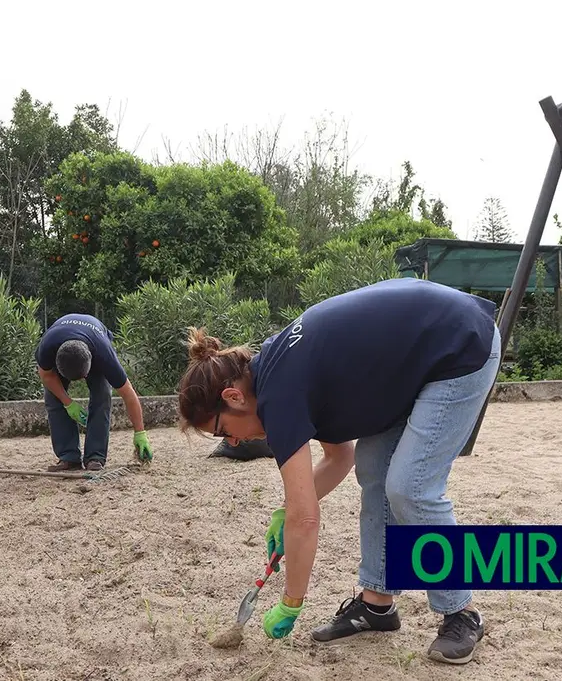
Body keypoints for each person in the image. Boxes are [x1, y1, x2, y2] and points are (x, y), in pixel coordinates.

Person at [175, 277, 501, 665]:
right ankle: (377, 605)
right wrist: (285, 510)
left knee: (411, 486)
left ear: (233, 397)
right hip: (418, 360)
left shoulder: (278, 396)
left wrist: (291, 603)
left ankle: (462, 612)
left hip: (460, 346)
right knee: (375, 469)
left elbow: (306, 518)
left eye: (223, 430)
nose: (230, 442)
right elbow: (338, 457)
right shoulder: (274, 373)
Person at [35, 313, 152, 471]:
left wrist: (140, 432)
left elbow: (128, 394)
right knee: (53, 397)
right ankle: (68, 457)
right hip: (62, 344)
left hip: (94, 340)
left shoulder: (104, 354)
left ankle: (95, 457)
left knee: (102, 394)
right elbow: (46, 376)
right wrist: (67, 402)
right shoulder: (47, 347)